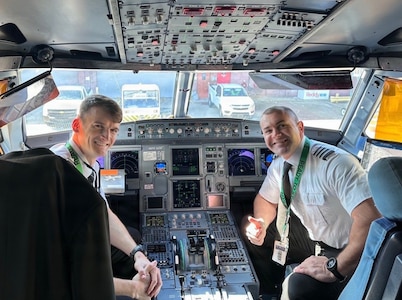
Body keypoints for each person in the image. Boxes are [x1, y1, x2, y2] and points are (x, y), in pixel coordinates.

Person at [245, 106, 381, 300]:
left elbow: (370, 220)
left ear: (300, 127)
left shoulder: (336, 164)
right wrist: (260, 224)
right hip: (316, 238)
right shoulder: (279, 165)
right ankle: (268, 292)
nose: (276, 134)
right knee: (248, 229)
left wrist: (335, 268)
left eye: (282, 126)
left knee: (297, 288)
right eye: (268, 130)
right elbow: (265, 200)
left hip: (351, 250)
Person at [50, 94, 162, 299]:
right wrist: (133, 290)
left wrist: (138, 255)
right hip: (63, 265)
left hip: (82, 243)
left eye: (113, 130)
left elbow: (103, 211)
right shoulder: (59, 170)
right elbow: (65, 270)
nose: (107, 137)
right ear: (76, 125)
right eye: (98, 126)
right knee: (146, 290)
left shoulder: (89, 163)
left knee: (135, 241)